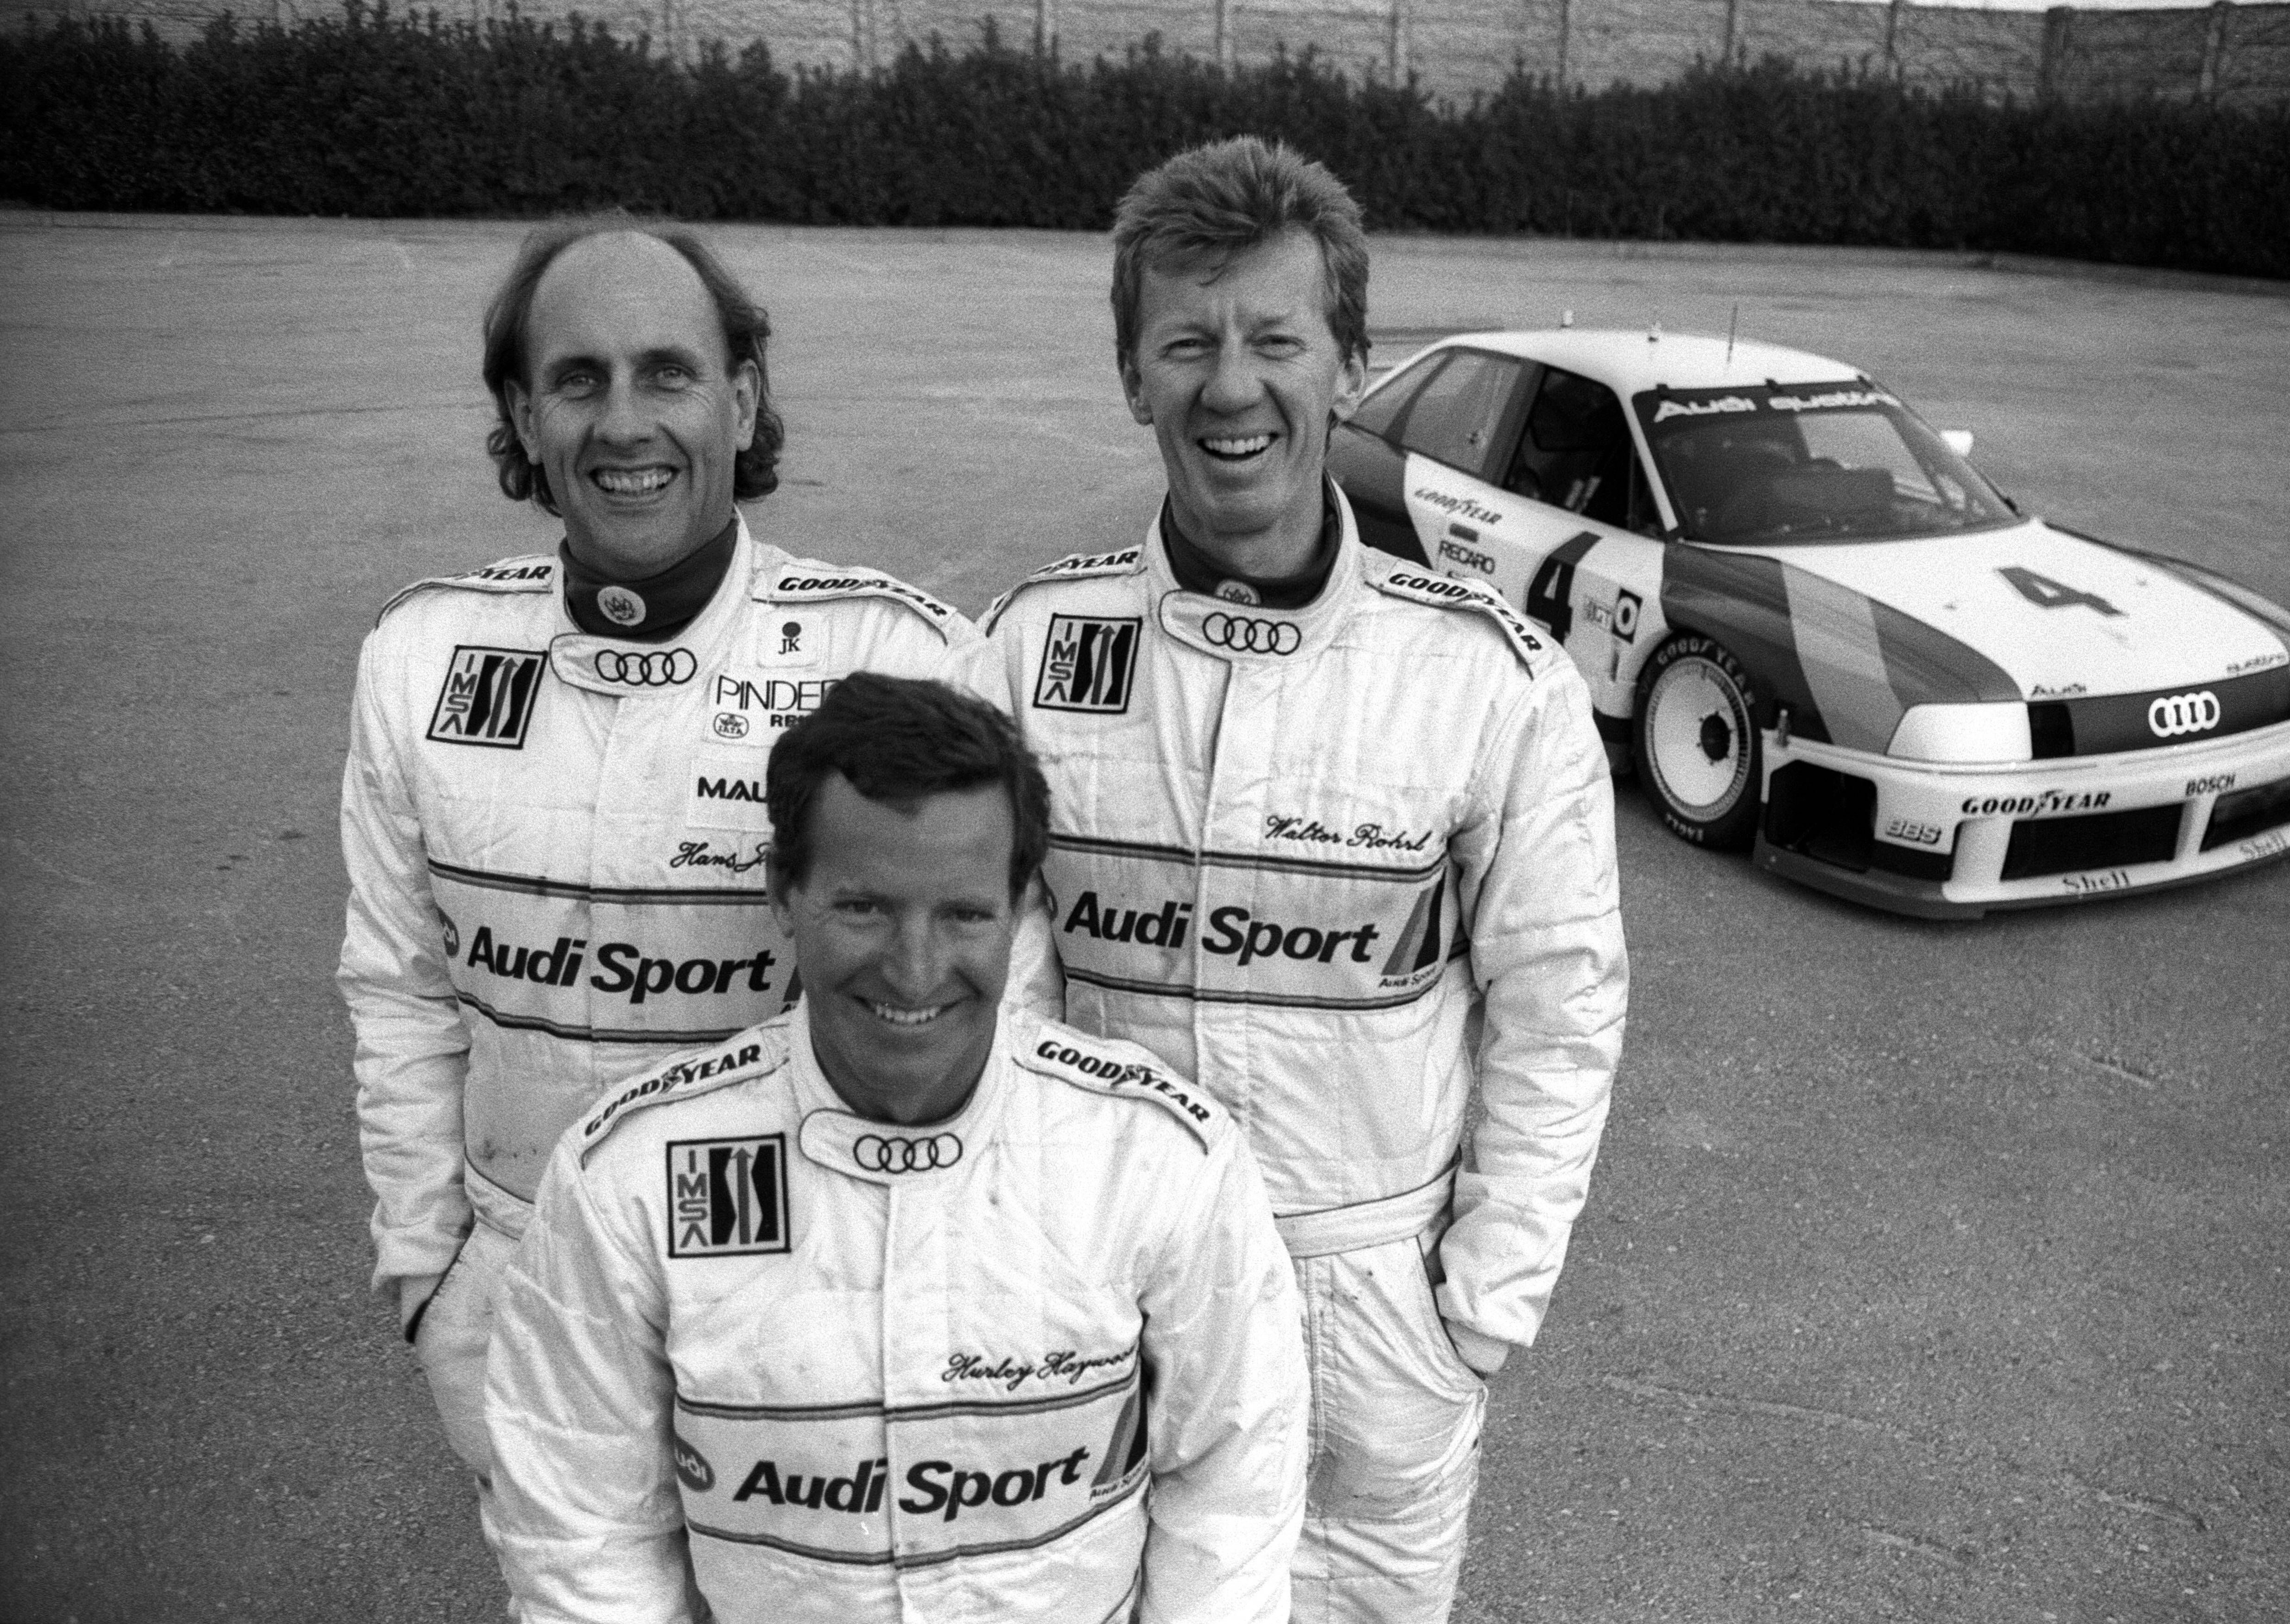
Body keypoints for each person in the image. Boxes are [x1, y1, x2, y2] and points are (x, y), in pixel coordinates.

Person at [964, 137, 1628, 1623]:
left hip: (1376, 1317)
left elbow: (1561, 1009)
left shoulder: (1490, 679)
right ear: (1131, 374)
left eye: (1275, 340)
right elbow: (998, 993)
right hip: (1110, 1298)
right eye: (1186, 343)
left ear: (1351, 366)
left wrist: (1478, 1309)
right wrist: (1032, 1259)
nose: (1231, 387)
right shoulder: (1023, 652)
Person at [336, 220, 974, 1549]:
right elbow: (398, 991)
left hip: (809, 1299)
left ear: (740, 399)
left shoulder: (893, 655)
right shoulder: (421, 654)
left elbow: (990, 1012)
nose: (624, 422)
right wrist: (428, 1272)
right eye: (579, 379)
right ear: (526, 415)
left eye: (667, 373)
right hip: (519, 1291)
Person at [484, 674, 1307, 1621]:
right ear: (783, 893)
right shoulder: (629, 1175)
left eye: (963, 913)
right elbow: (583, 1532)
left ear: (1020, 909)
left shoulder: (1160, 1157)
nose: (915, 970)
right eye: (865, 907)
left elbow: (1233, 1494)